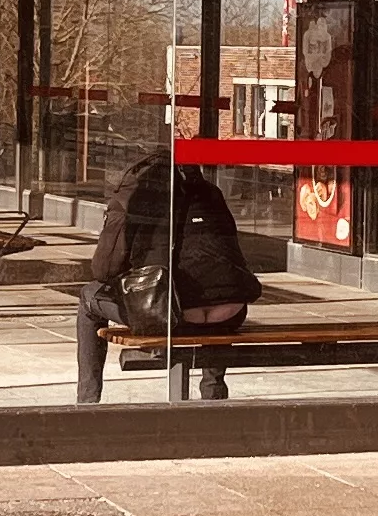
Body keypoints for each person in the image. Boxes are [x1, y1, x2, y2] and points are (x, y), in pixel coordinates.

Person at [84, 147, 256, 396]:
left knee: (88, 297)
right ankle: (213, 391)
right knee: (213, 287)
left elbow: (103, 269)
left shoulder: (133, 199)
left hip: (172, 317)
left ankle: (87, 402)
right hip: (230, 315)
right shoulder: (212, 194)